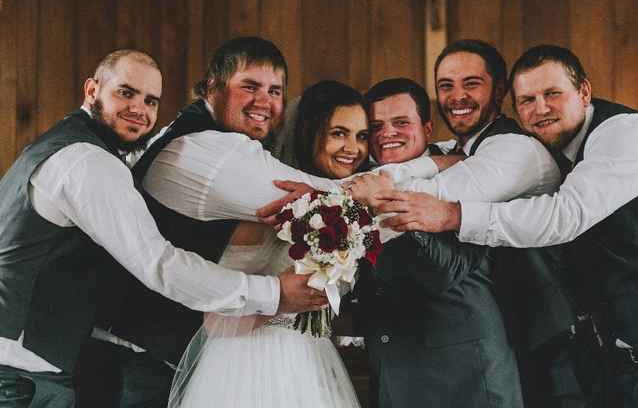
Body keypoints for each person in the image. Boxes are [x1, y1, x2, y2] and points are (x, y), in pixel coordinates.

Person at [376, 45, 638, 408]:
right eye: (526, 100)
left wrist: (452, 214)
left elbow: (563, 216)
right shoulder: (550, 145)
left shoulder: (626, 134)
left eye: (552, 94)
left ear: (584, 92)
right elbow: (465, 157)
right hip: (630, 363)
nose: (539, 108)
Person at [0, 49, 325, 408]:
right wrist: (272, 295)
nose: (139, 109)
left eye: (151, 101)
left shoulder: (58, 146)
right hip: (22, 376)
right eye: (126, 92)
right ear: (92, 90)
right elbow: (160, 263)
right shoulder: (87, 162)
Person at [168, 80, 367, 407]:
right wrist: (280, 298)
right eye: (338, 133)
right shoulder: (266, 211)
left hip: (312, 362)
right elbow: (215, 320)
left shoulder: (348, 212)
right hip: (247, 366)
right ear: (308, 133)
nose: (353, 148)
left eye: (361, 136)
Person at [354, 77, 524, 407]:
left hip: (465, 377)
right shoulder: (360, 186)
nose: (387, 133)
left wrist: (384, 203)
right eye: (376, 126)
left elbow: (441, 270)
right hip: (393, 373)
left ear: (428, 129)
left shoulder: (471, 177)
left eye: (401, 122)